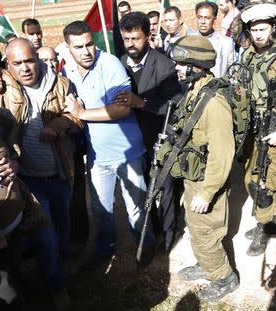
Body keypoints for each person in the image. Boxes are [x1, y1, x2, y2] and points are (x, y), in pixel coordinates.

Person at [0, 37, 85, 309]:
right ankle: (57, 286)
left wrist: (59, 123)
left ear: (37, 58)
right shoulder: (1, 89)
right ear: (8, 66)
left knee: (63, 226)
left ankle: (64, 261)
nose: (24, 68)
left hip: (61, 174)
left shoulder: (62, 84)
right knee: (45, 237)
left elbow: (78, 116)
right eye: (17, 63)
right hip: (29, 182)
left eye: (29, 61)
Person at [62, 21, 154, 264]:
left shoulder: (110, 63)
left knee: (136, 208)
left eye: (89, 44)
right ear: (68, 48)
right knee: (101, 210)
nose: (86, 51)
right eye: (79, 47)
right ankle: (105, 250)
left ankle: (146, 246)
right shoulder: (67, 70)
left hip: (128, 153)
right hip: (96, 157)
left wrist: (82, 113)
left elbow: (122, 109)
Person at [166, 35, 239, 301]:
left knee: (206, 231)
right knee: (196, 226)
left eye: (181, 64)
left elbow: (222, 153)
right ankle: (206, 264)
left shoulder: (214, 103)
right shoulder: (196, 92)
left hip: (209, 179)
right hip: (195, 175)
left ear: (197, 66)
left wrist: (207, 192)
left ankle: (224, 278)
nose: (176, 68)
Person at [119, 12, 182, 250]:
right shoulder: (120, 62)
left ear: (148, 36)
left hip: (158, 138)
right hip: (132, 142)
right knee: (143, 188)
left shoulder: (164, 65)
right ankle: (152, 232)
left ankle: (169, 236)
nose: (131, 45)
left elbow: (176, 102)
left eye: (136, 38)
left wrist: (142, 103)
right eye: (126, 39)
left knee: (165, 189)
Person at [240, 1, 276, 256]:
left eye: (264, 29)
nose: (259, 34)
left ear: (274, 28)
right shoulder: (248, 56)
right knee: (251, 180)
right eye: (254, 30)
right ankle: (269, 222)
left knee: (265, 186)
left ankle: (263, 230)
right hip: (254, 133)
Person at [195, 1, 234, 78]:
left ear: (214, 18)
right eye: (199, 17)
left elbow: (232, 71)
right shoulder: (188, 41)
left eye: (207, 18)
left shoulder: (226, 43)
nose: (202, 22)